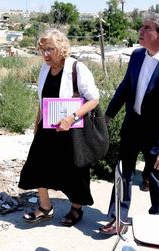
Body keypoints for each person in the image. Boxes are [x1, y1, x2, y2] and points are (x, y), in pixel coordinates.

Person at [99, 13, 159, 234]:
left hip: (158, 134)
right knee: (123, 173)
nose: (141, 31)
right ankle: (117, 217)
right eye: (142, 27)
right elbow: (125, 88)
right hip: (132, 126)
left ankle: (156, 220)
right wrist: (108, 115)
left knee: (157, 179)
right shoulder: (137, 55)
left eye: (146, 28)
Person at [18, 29, 100, 226]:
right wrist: (36, 121)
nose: (45, 54)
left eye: (50, 49)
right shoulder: (45, 69)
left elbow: (94, 99)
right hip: (48, 126)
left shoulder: (77, 68)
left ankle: (76, 208)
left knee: (75, 170)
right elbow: (42, 99)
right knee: (36, 164)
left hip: (72, 130)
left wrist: (71, 118)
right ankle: (45, 207)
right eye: (42, 50)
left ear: (62, 48)